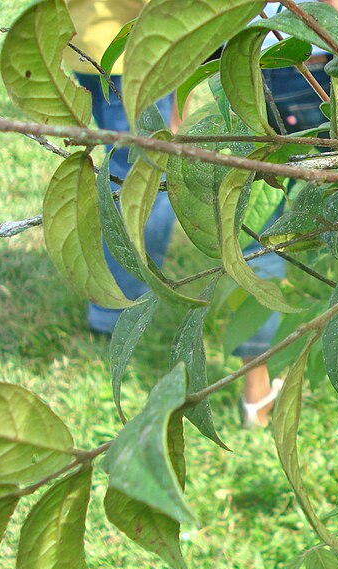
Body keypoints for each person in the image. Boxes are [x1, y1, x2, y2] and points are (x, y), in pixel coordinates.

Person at [64, 0, 285, 427]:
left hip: (87, 38)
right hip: (141, 47)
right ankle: (121, 304)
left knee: (126, 171)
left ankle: (113, 304)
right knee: (149, 178)